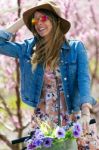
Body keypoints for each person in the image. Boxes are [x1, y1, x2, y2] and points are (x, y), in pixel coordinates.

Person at [0, 0, 99, 148]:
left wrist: (85, 112)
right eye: (35, 19)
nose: (39, 23)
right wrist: (23, 19)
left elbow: (84, 79)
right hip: (44, 121)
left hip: (73, 116)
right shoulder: (28, 49)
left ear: (54, 20)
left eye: (44, 18)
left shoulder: (75, 48)